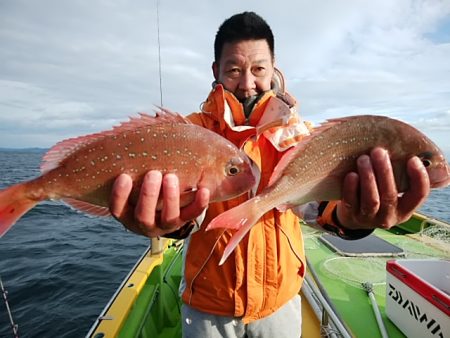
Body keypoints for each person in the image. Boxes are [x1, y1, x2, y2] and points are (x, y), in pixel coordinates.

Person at [109, 12, 430, 338]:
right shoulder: (190, 132)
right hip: (208, 302)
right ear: (215, 71)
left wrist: (355, 220)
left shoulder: (299, 135)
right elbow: (189, 215)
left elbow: (319, 208)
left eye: (258, 69)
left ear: (273, 69)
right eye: (233, 70)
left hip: (280, 298)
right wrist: (169, 222)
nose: (247, 83)